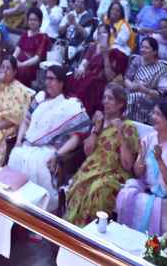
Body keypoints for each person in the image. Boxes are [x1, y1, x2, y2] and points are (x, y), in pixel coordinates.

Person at [8, 64, 90, 211]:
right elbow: (25, 122)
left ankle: (38, 211)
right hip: (28, 144)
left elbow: (76, 138)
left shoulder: (70, 105)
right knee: (16, 155)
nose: (47, 83)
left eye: (52, 79)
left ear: (61, 83)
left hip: (50, 149)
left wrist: (58, 155)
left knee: (36, 164)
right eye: (47, 79)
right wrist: (18, 141)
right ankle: (14, 207)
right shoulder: (39, 98)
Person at [116, 101, 167, 241]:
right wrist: (141, 156)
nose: (153, 116)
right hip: (147, 190)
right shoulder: (149, 139)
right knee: (126, 194)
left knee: (152, 207)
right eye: (153, 113)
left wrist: (160, 161)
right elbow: (138, 174)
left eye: (158, 114)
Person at [64, 84, 140, 226]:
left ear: (120, 104)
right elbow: (87, 152)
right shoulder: (99, 123)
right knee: (79, 186)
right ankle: (72, 232)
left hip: (115, 173)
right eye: (104, 98)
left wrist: (120, 133)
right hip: (93, 168)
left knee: (97, 191)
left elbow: (128, 165)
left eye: (110, 98)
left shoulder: (128, 127)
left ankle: (91, 235)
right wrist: (95, 130)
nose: (105, 101)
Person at [67, 25, 126, 115]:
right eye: (99, 33)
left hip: (100, 83)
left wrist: (105, 55)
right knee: (70, 77)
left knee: (90, 82)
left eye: (104, 33)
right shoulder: (92, 48)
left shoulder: (115, 53)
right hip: (87, 76)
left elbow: (109, 77)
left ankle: (79, 110)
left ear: (109, 36)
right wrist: (81, 69)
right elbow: (84, 63)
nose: (101, 36)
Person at [124, 37, 167, 123]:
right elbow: (126, 79)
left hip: (150, 99)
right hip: (130, 92)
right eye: (142, 47)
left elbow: (160, 94)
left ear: (155, 52)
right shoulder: (137, 60)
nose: (143, 50)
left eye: (146, 48)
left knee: (135, 97)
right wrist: (132, 86)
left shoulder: (162, 68)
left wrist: (144, 90)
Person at [13, 7, 50, 87]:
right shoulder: (25, 34)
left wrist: (22, 64)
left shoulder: (43, 37)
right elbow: (17, 51)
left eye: (35, 20)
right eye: (30, 19)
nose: (32, 22)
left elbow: (37, 58)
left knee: (21, 71)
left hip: (31, 67)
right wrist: (12, 61)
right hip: (19, 63)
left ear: (40, 22)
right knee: (8, 68)